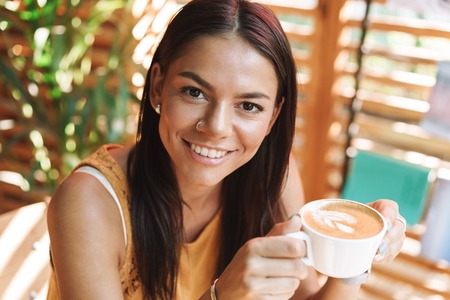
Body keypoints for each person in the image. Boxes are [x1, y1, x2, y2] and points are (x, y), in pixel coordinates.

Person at [46, 0, 407, 299]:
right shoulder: (89, 203)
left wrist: (355, 253)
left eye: (248, 106)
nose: (215, 127)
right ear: (158, 87)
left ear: (273, 116)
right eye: (194, 92)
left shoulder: (274, 178)